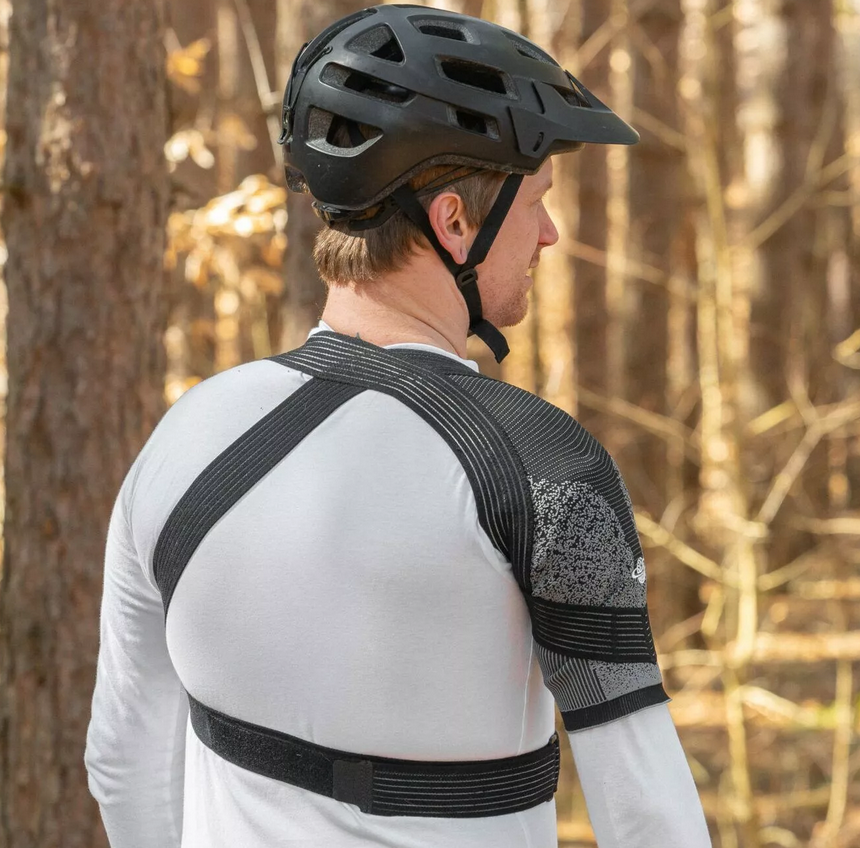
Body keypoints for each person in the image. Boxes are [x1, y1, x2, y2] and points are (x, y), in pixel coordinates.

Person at [85, 5, 712, 847]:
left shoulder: (184, 438)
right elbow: (649, 814)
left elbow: (123, 761)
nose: (551, 234)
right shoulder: (545, 468)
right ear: (454, 222)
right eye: (536, 202)